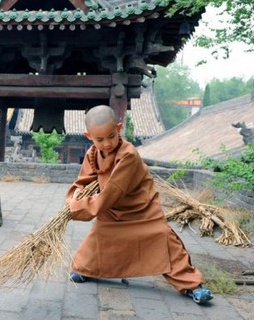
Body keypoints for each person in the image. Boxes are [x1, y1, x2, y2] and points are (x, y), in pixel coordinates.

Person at [66, 105, 213, 304]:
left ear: (118, 129)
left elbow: (111, 193)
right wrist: (74, 198)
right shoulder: (93, 153)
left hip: (140, 209)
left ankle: (192, 285)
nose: (107, 143)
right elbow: (83, 181)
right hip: (112, 211)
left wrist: (77, 209)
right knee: (99, 237)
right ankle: (86, 270)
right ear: (88, 136)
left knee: (163, 238)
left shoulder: (128, 155)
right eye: (99, 139)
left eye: (111, 136)